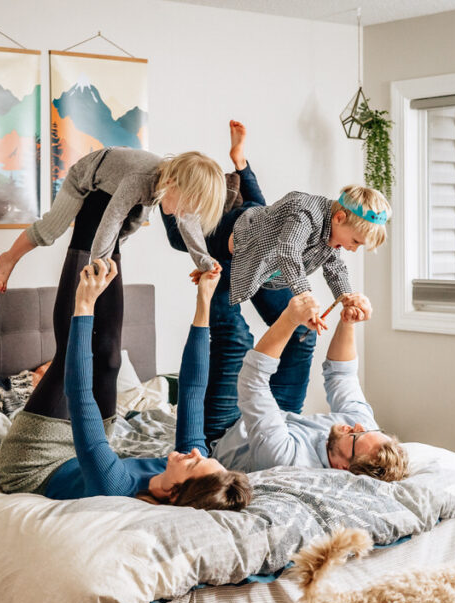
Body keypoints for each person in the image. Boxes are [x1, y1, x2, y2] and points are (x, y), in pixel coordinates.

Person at [163, 121, 392, 443]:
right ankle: (168, 179)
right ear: (339, 218)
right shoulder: (305, 212)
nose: (352, 249)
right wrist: (305, 297)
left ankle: (282, 424)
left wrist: (347, 296)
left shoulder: (332, 235)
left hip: (264, 260)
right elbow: (286, 250)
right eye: (354, 241)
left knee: (302, 332)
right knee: (234, 336)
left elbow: (335, 267)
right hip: (229, 249)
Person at [0, 258, 252, 511]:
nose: (197, 453)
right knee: (109, 359)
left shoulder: (115, 487)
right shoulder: (185, 470)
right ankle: (112, 241)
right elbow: (192, 392)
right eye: (204, 458)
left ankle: (87, 250)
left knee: (65, 360)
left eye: (195, 463)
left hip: (34, 467)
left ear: (173, 494)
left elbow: (79, 395)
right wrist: (204, 298)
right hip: (78, 459)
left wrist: (84, 303)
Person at [210, 292, 408, 483]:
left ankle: (216, 268)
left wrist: (289, 318)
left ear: (343, 469)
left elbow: (252, 381)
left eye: (356, 436)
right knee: (303, 333)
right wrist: (348, 322)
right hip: (282, 419)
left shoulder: (288, 462)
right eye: (366, 430)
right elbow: (341, 375)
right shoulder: (364, 429)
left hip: (229, 430)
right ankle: (245, 264)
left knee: (235, 339)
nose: (356, 426)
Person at [0, 147, 226, 293]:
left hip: (122, 180)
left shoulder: (166, 188)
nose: (181, 214)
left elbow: (189, 226)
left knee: (129, 228)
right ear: (171, 185)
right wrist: (98, 265)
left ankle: (105, 258)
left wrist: (205, 262)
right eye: (184, 207)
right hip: (85, 177)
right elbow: (111, 219)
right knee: (50, 230)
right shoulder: (138, 180)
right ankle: (8, 257)